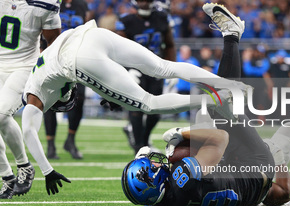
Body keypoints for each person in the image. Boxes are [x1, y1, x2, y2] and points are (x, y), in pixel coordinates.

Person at [121, 3, 290, 206]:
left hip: (251, 192)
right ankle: (232, 34)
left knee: (282, 192)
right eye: (152, 167)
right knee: (219, 107)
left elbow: (157, 194)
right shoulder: (183, 176)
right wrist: (179, 133)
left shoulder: (159, 205)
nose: (156, 164)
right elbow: (219, 138)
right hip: (254, 163)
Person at [21, 18, 248, 195]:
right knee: (163, 66)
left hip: (78, 58)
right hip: (90, 34)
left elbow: (29, 131)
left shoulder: (36, 93)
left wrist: (47, 170)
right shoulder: (40, 68)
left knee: (148, 103)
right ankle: (227, 85)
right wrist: (107, 89)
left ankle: (215, 99)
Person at [0, 0, 61, 199]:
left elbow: (54, 46)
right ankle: (8, 177)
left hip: (24, 66)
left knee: (1, 114)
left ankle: (23, 165)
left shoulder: (44, 3)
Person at [116, 0, 176, 154]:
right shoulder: (126, 21)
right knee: (136, 108)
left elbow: (169, 45)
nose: (145, 4)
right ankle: (139, 147)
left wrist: (173, 69)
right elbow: (117, 50)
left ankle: (144, 140)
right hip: (136, 70)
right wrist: (126, 69)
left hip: (156, 70)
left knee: (156, 111)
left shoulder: (161, 17)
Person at [44, 0, 90, 160]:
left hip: (76, 57)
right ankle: (50, 144)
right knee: (50, 99)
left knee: (80, 97)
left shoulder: (81, 5)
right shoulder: (50, 2)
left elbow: (85, 30)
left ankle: (70, 140)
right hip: (52, 55)